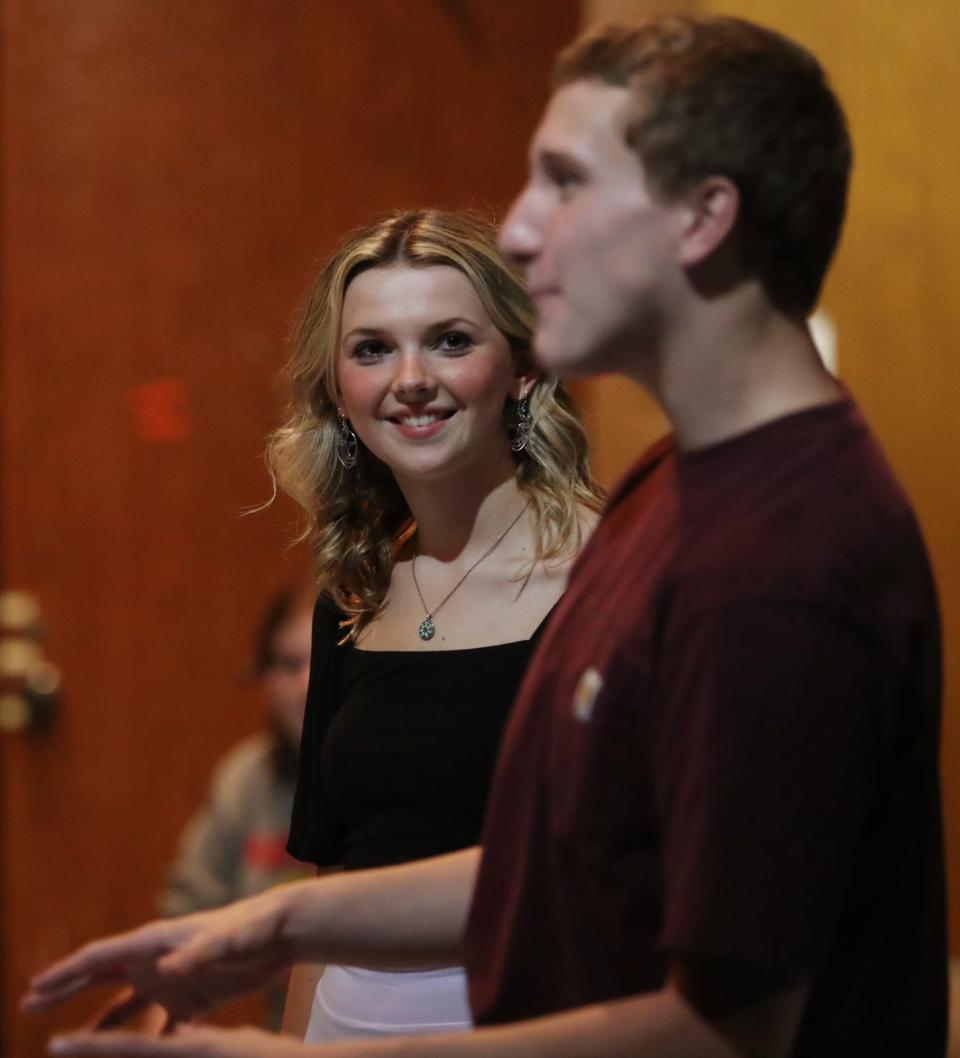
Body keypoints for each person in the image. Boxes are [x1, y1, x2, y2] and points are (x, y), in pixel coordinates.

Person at [24, 14, 948, 1058]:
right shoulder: (675, 489)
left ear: (702, 218)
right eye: (371, 348)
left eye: (563, 181)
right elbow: (564, 861)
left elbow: (728, 1028)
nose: (516, 229)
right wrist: (274, 921)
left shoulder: (777, 564)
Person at [28, 207, 602, 1047]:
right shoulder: (355, 592)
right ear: (339, 391)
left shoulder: (608, 574)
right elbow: (327, 889)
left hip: (531, 1023)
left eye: (449, 340)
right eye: (372, 349)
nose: (410, 377)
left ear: (522, 366)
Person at [158, 585, 315, 1030]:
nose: (307, 684)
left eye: (325, 659)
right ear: (261, 676)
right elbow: (186, 927)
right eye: (288, 664)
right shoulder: (247, 778)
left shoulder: (396, 777)